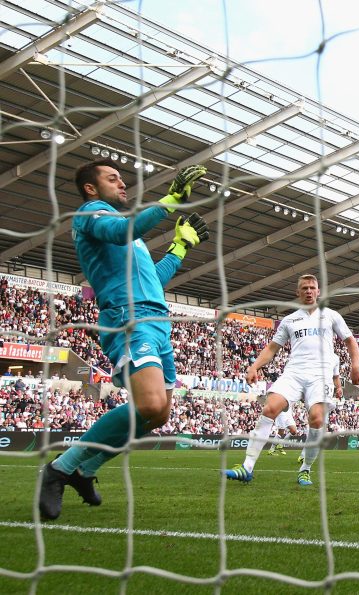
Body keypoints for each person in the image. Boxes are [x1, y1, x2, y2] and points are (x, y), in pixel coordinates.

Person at [39, 159, 209, 520]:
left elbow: (154, 281)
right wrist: (171, 199)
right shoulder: (91, 215)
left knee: (159, 414)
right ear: (91, 188)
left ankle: (85, 470)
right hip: (127, 318)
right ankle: (59, 469)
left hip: (157, 319)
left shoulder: (133, 238)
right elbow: (122, 232)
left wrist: (179, 247)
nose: (122, 184)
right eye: (112, 178)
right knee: (148, 404)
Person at [225, 274, 359, 487]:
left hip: (320, 374)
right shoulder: (289, 320)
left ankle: (305, 470)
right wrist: (254, 366)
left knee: (316, 419)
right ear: (297, 293)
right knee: (270, 408)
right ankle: (247, 467)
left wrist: (355, 366)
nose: (308, 291)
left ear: (319, 292)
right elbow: (272, 348)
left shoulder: (331, 315)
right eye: (304, 288)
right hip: (294, 373)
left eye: (312, 288)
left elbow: (350, 341)